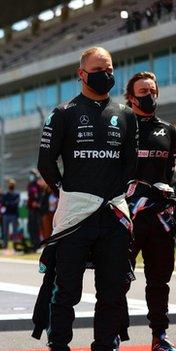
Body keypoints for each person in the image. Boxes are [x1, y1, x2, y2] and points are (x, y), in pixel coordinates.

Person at [33, 47, 138, 351]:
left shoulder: (125, 114)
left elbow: (130, 163)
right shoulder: (63, 113)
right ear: (81, 74)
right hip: (76, 215)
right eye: (98, 69)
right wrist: (68, 192)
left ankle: (105, 344)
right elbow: (46, 163)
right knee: (66, 289)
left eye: (109, 68)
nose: (106, 74)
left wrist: (112, 192)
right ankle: (59, 344)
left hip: (112, 215)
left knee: (112, 290)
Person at [124, 71, 176, 351]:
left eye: (152, 91)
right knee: (117, 280)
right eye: (143, 92)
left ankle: (160, 337)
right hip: (126, 218)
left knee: (160, 281)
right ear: (130, 97)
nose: (149, 96)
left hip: (161, 220)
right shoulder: (119, 126)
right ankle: (114, 336)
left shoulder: (168, 130)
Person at [1, 178, 20, 253]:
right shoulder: (5, 194)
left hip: (14, 214)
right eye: (10, 184)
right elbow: (3, 203)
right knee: (5, 231)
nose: (11, 185)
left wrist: (8, 204)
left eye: (12, 184)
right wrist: (11, 204)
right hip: (6, 214)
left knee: (15, 232)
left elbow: (16, 203)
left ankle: (15, 247)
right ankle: (5, 246)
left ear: (14, 185)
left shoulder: (17, 194)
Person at [27, 169, 43, 251]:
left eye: (32, 175)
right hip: (31, 209)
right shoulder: (30, 185)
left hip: (36, 210)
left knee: (36, 227)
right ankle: (33, 243)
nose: (30, 176)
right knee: (30, 227)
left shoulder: (38, 185)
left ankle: (37, 244)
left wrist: (37, 203)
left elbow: (39, 196)